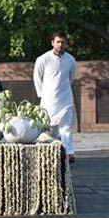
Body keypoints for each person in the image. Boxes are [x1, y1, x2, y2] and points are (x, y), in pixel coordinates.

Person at [33, 30, 77, 163]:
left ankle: (69, 153)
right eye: (58, 42)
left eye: (62, 42)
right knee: (49, 129)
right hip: (49, 99)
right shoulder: (43, 59)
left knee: (66, 127)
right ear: (52, 43)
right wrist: (42, 94)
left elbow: (71, 77)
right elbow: (37, 77)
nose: (60, 44)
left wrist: (63, 89)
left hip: (65, 98)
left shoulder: (70, 60)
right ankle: (50, 155)